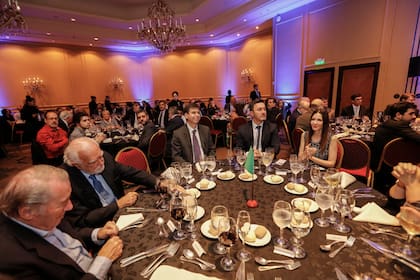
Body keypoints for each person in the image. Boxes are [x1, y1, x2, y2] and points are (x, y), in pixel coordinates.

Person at [0, 165, 123, 279]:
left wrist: (97, 233)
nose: (70, 207)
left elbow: (69, 235)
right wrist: (102, 263)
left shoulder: (44, 213)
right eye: (63, 203)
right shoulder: (11, 260)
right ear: (27, 213)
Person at [62, 137, 167, 228]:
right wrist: (117, 205)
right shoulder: (65, 182)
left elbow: (131, 173)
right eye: (93, 162)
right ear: (76, 165)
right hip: (102, 224)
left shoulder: (104, 158)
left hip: (125, 212)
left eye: (101, 156)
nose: (101, 162)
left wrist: (157, 182)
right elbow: (83, 219)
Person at [372, 102, 420, 194]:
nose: (414, 116)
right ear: (398, 115)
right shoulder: (400, 126)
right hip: (391, 168)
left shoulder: (387, 124)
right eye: (411, 114)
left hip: (379, 164)